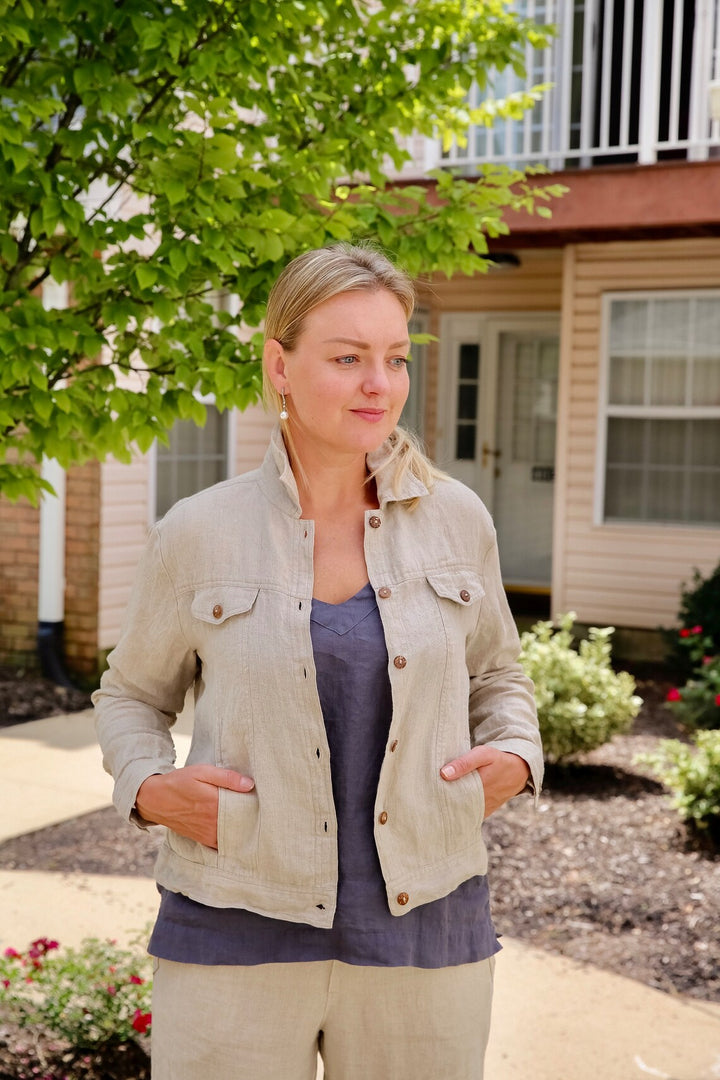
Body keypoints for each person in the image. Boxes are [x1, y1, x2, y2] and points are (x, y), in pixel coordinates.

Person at [93, 242, 543, 1080]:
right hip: (234, 920)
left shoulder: (457, 520)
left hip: (426, 930)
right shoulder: (199, 531)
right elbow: (130, 696)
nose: (381, 384)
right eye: (348, 358)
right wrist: (148, 789)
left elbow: (499, 675)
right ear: (280, 366)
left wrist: (517, 756)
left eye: (396, 359)